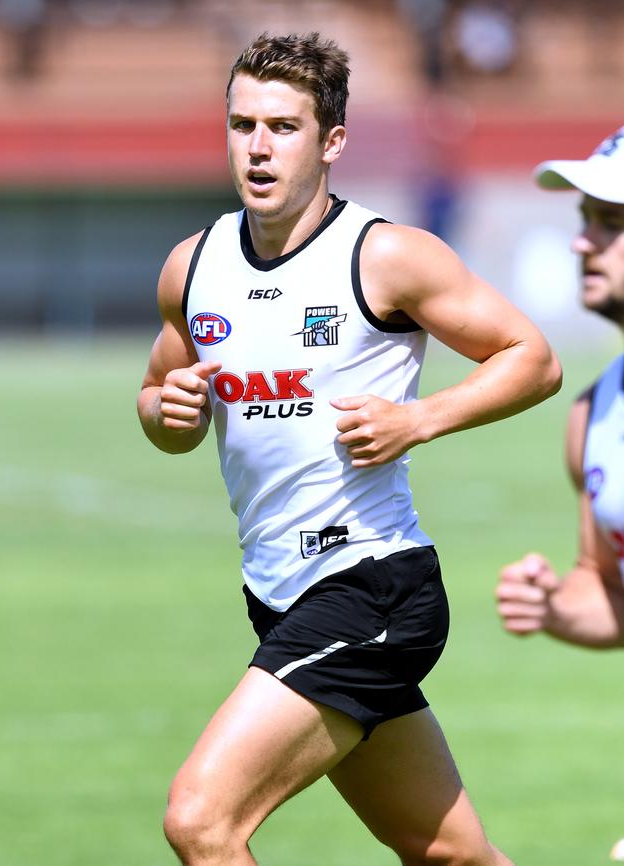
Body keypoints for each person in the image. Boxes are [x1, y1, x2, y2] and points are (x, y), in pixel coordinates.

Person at [137, 32, 561, 866]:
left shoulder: (386, 255)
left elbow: (532, 359)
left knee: (201, 820)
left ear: (331, 141)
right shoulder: (195, 266)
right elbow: (159, 403)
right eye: (243, 124)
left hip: (370, 587)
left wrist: (420, 419)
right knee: (450, 855)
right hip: (278, 595)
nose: (258, 147)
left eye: (283, 127)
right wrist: (169, 411)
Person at [496, 128, 624, 647]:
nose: (580, 241)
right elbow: (607, 585)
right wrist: (554, 609)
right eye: (585, 218)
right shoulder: (592, 412)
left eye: (611, 222)